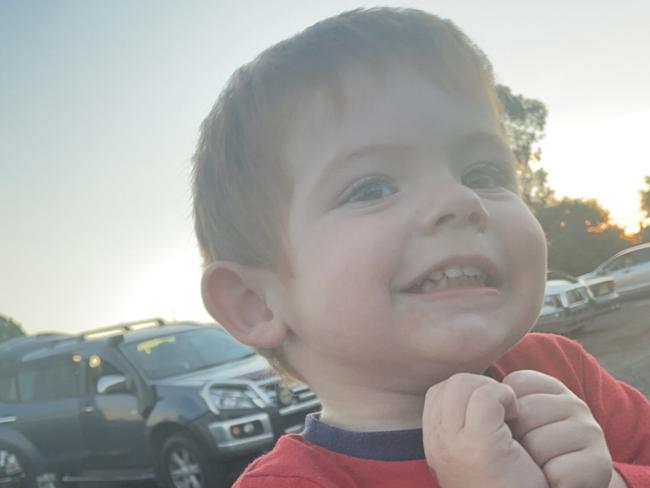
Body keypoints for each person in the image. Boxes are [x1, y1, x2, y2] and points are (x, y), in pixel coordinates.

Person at [192, 7, 650, 487]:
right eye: (371, 188)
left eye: (483, 174)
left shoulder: (561, 372)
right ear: (255, 303)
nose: (461, 199)